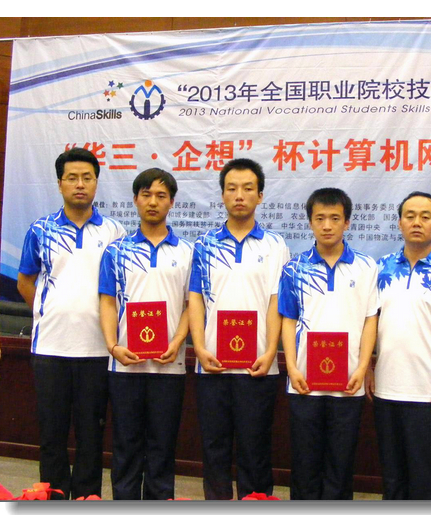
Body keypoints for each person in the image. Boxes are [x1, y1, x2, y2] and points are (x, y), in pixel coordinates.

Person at [17, 147, 126, 499]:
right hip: (50, 347)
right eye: (72, 178)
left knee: (91, 434)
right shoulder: (41, 229)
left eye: (87, 178)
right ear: (60, 184)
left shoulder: (114, 232)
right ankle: (52, 497)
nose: (80, 184)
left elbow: (121, 288)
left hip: (97, 349)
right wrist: (48, 311)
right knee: (52, 432)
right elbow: (25, 281)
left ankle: (86, 497)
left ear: (96, 183)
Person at [188, 158, 289, 500]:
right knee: (214, 446)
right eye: (231, 188)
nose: (239, 195)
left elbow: (277, 301)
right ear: (222, 195)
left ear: (260, 195)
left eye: (248, 188)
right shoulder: (204, 244)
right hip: (212, 364)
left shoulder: (275, 245)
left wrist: (271, 351)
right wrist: (199, 348)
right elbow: (195, 298)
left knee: (255, 446)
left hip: (258, 366)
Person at [278, 187, 379, 500]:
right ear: (310, 222)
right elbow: (288, 320)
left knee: (341, 461)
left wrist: (362, 367)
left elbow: (370, 320)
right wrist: (292, 368)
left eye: (335, 218)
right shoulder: (294, 268)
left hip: (348, 382)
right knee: (305, 461)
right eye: (319, 218)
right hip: (304, 381)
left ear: (347, 222)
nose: (327, 225)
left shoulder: (366, 267)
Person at [98, 168, 192, 500]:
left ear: (172, 202)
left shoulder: (187, 252)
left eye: (161, 196)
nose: (153, 202)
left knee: (163, 445)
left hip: (170, 367)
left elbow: (191, 306)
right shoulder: (115, 251)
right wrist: (113, 346)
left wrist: (177, 342)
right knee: (125, 443)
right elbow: (107, 302)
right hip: (125, 365)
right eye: (146, 195)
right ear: (136, 199)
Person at [366, 191, 431, 500]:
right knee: (393, 478)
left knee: (428, 479)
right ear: (399, 223)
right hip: (386, 390)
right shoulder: (380, 269)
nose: (417, 222)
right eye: (410, 216)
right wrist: (367, 366)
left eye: (425, 216)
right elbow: (370, 322)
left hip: (430, 392)